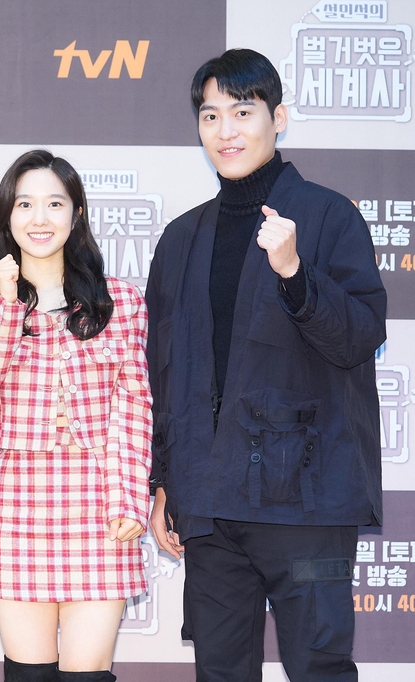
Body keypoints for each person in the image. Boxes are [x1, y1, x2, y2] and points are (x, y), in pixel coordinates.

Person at [146, 49, 386, 681]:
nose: (226, 131)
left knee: (319, 667)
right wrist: (164, 482)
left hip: (308, 501)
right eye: (211, 115)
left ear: (277, 118)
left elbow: (361, 336)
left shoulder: (329, 216)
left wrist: (295, 274)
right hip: (209, 503)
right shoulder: (181, 238)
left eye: (243, 112)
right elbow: (164, 374)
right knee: (220, 671)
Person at [0, 150, 151, 682]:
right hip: (19, 499)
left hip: (100, 502)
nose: (39, 218)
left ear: (76, 214)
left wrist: (128, 497)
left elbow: (132, 406)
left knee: (88, 674)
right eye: (25, 204)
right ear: (7, 216)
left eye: (55, 204)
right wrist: (6, 302)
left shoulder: (120, 302)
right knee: (30, 675)